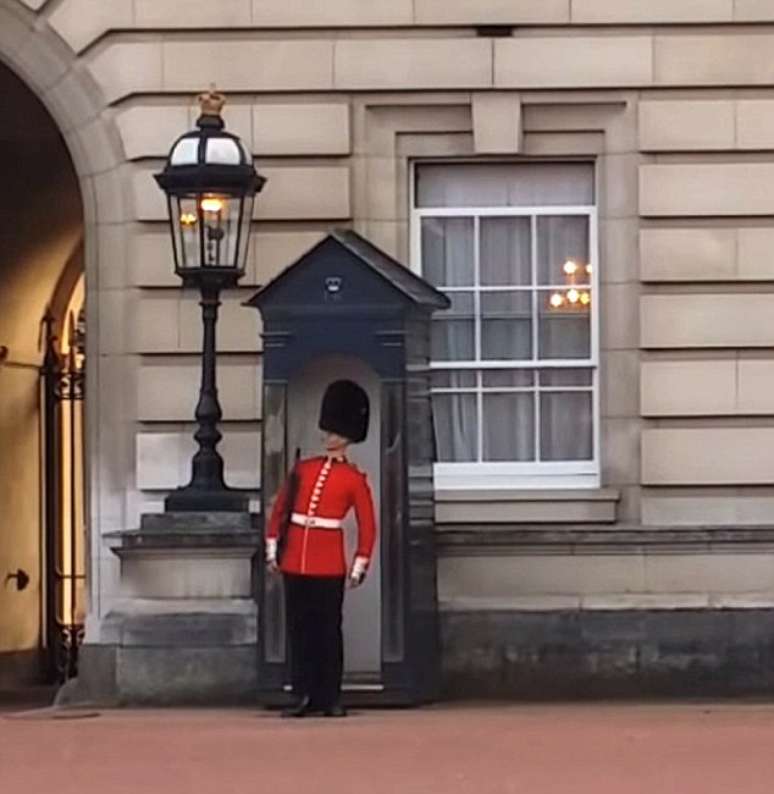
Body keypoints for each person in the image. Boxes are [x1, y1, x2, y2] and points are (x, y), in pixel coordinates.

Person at [265, 379, 377, 718]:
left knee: (328, 632)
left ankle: (329, 695)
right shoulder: (304, 468)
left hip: (329, 562)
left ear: (348, 435)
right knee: (300, 631)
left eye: (335, 430)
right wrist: (274, 550)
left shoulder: (354, 479)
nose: (329, 435)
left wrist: (359, 565)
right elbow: (281, 510)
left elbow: (368, 526)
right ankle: (302, 693)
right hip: (295, 558)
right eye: (328, 430)